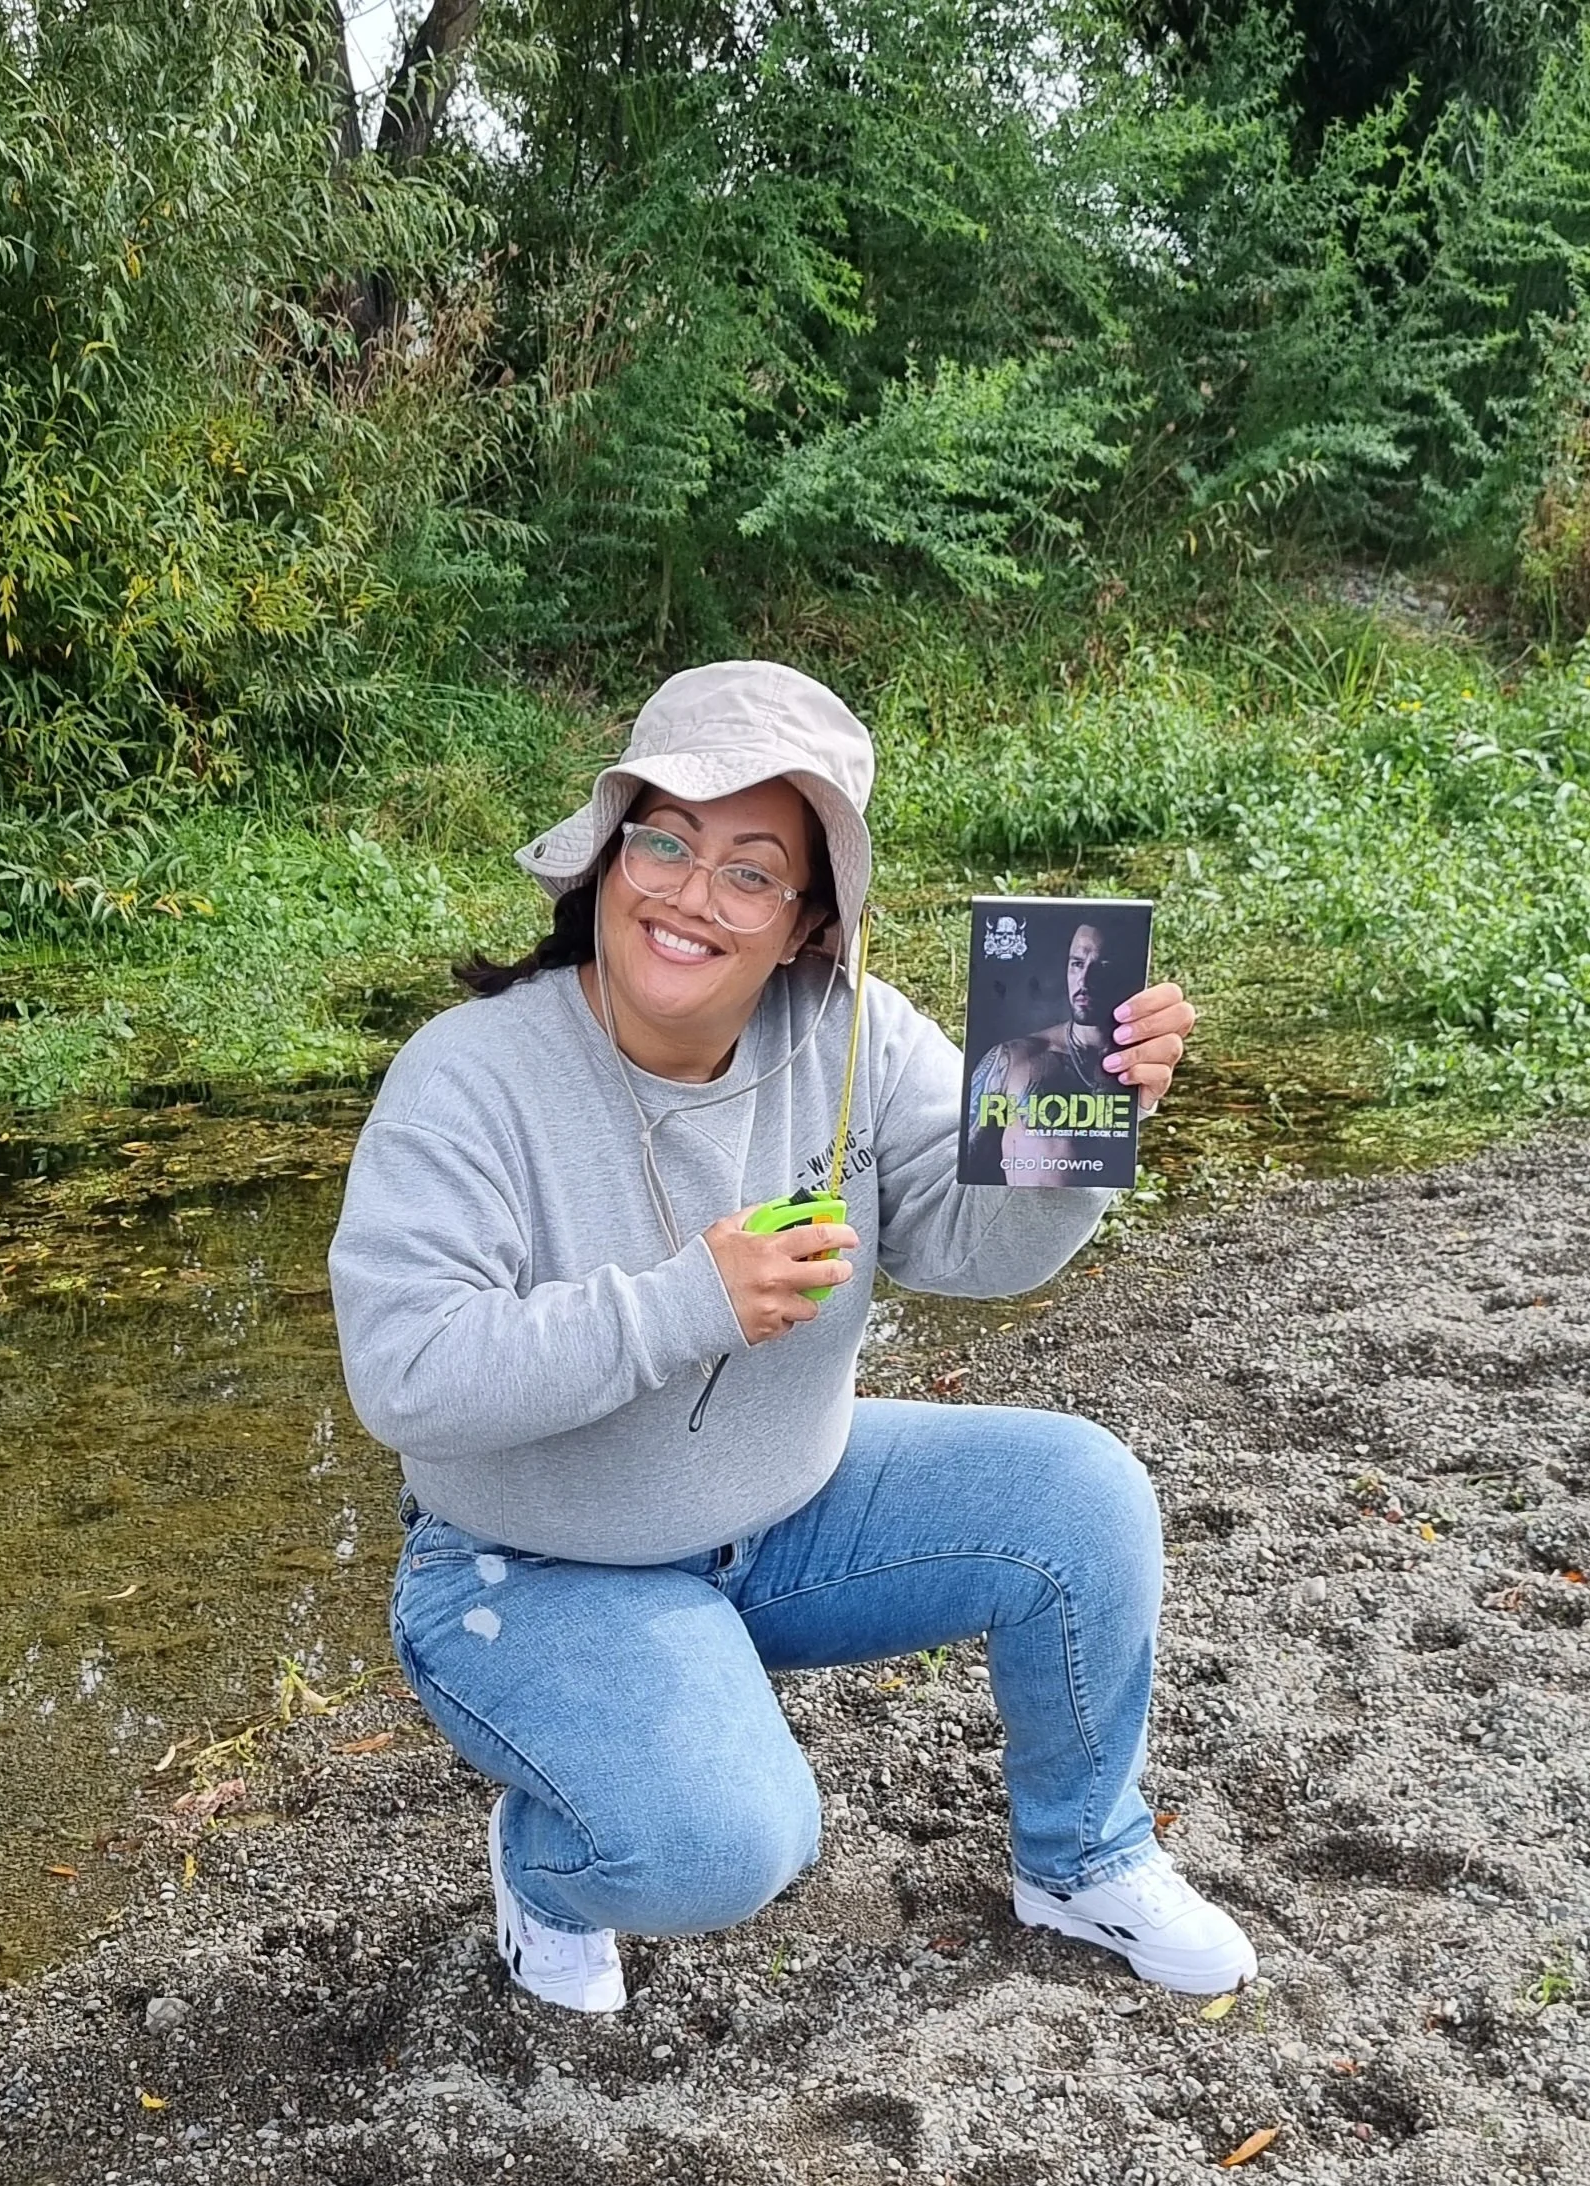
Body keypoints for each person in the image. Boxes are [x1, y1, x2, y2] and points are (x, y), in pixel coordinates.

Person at [329, 661, 1255, 2014]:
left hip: (786, 1516)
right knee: (727, 1842)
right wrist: (685, 1298)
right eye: (664, 840)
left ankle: (1083, 1859)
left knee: (1082, 1499)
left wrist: (1075, 1130)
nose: (690, 895)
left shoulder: (852, 1033)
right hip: (534, 1563)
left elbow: (972, 1252)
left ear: (808, 918)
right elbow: (403, 1372)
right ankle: (544, 1863)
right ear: (607, 855)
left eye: (750, 870)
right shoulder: (470, 1073)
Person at [965, 918, 1133, 1185]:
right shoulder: (1013, 1060)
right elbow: (966, 1160)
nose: (1084, 980)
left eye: (1102, 967)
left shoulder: (1138, 1061)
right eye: (1077, 964)